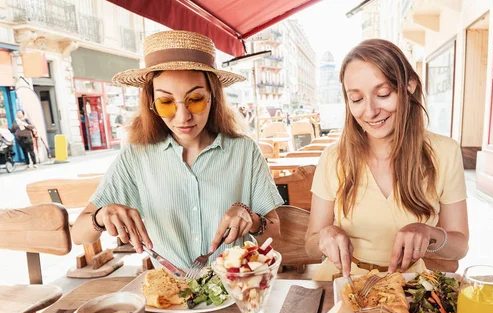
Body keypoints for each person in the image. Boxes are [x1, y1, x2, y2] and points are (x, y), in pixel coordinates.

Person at [71, 30, 284, 270]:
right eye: (166, 102)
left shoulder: (245, 151)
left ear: (213, 96)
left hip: (237, 289)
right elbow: (78, 234)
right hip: (169, 297)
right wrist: (100, 217)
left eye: (195, 99)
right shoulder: (136, 156)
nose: (183, 117)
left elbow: (276, 231)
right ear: (151, 103)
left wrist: (251, 219)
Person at [304, 39, 469, 280]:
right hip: (339, 282)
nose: (370, 111)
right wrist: (325, 236)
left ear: (409, 86)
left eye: (383, 94)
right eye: (357, 100)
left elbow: (460, 246)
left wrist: (427, 233)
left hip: (408, 285)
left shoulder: (445, 152)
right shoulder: (333, 158)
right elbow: (310, 243)